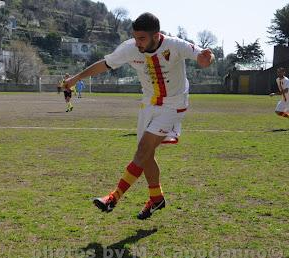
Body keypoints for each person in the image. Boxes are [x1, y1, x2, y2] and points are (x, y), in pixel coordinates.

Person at [64, 13, 214, 220]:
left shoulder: (175, 45)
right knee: (146, 154)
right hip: (148, 104)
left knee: (143, 149)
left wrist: (206, 59)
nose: (138, 43)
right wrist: (75, 78)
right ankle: (156, 198)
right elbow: (104, 64)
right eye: (135, 37)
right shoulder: (130, 48)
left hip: (173, 105)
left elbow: (200, 55)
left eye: (142, 38)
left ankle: (113, 197)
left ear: (156, 36)